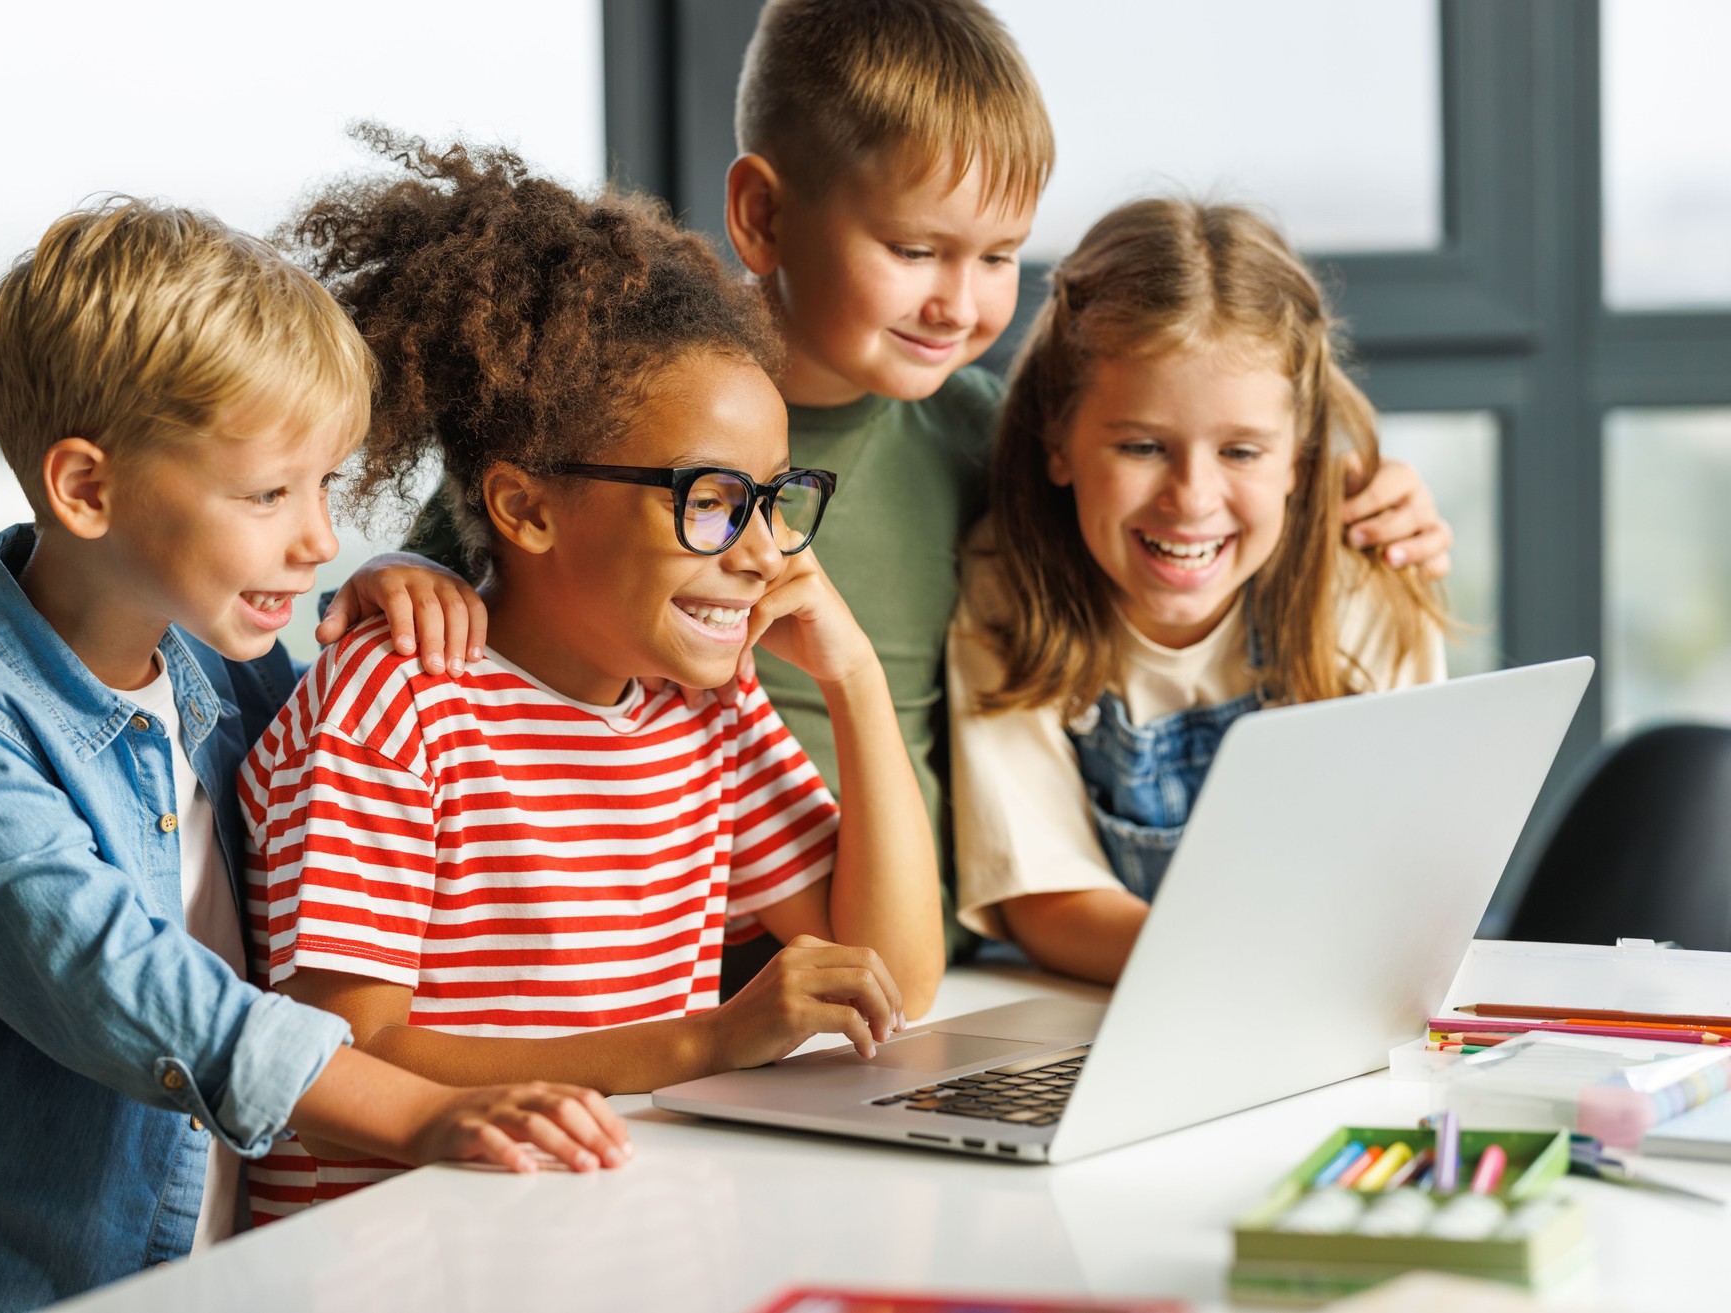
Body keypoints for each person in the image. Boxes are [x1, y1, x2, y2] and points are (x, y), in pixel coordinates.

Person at [404, 0, 1455, 971]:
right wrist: (405, 577)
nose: (959, 303)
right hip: (657, 961)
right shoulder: (624, 422)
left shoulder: (981, 438)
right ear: (764, 216)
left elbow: (1174, 491)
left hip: (923, 972)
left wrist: (1349, 487)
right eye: (915, 248)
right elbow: (482, 540)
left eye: (998, 256)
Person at [0, 199, 630, 1313]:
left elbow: (334, 797)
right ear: (87, 488)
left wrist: (388, 583)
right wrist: (418, 1111)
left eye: (325, 488)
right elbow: (137, 989)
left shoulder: (227, 677)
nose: (318, 535)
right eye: (266, 494)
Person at [241, 134, 945, 1221]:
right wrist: (703, 1040)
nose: (763, 551)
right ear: (527, 507)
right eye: (711, 499)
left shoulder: (700, 702)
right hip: (390, 1248)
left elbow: (893, 982)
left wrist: (850, 674)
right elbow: (347, 1057)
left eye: (773, 497)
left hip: (606, 1218)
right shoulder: (396, 700)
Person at [949, 199, 1451, 985]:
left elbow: (1410, 877)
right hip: (1148, 999)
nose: (1191, 497)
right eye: (1143, 446)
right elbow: (1046, 895)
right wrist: (1227, 969)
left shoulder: (1363, 577)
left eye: (1242, 450)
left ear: (1299, 455)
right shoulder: (1008, 593)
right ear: (1060, 441)